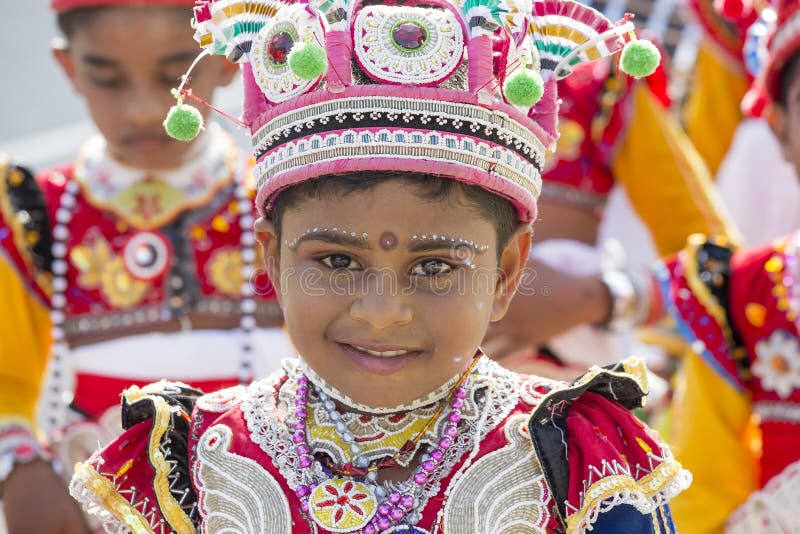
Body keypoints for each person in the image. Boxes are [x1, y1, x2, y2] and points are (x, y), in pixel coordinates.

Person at [68, 0, 691, 532]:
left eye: (435, 267)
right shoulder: (185, 471)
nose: (382, 312)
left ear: (505, 272)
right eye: (337, 259)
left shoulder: (584, 464)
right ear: (272, 260)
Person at [0, 1, 292, 532]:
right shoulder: (29, 216)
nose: (142, 110)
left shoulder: (284, 205)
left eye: (173, 75)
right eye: (107, 78)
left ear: (228, 61)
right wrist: (19, 471)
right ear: (69, 68)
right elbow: (7, 383)